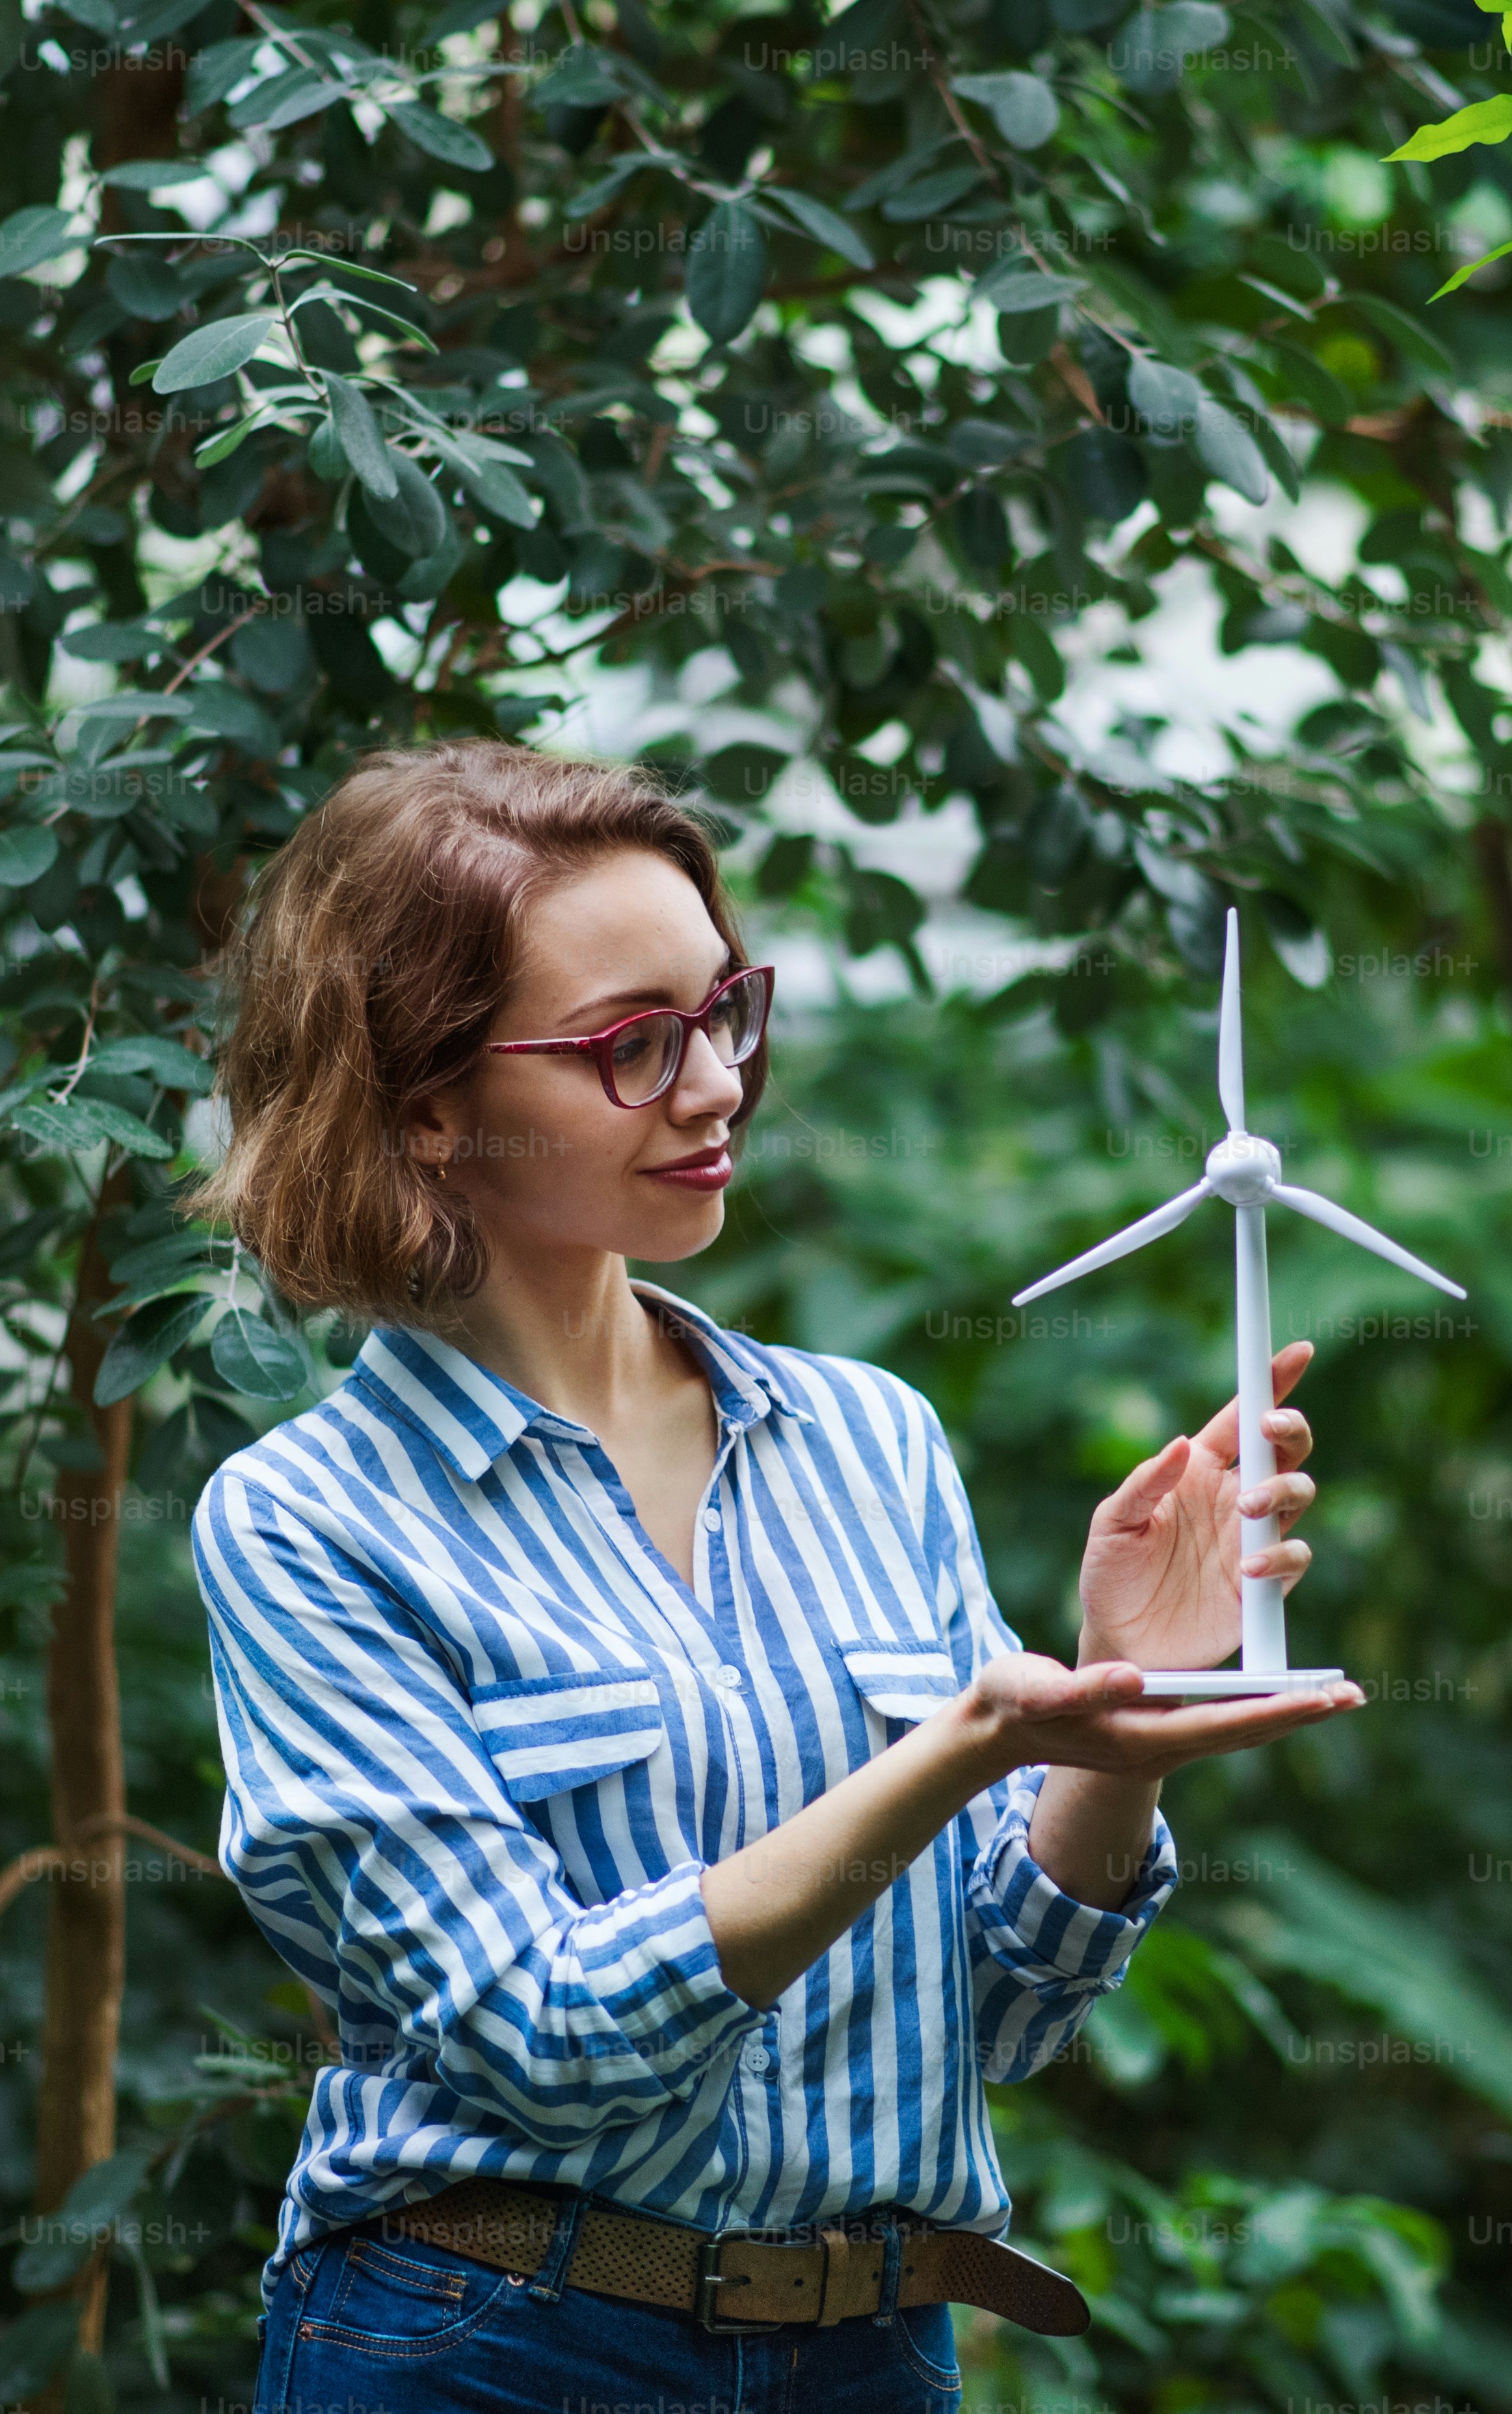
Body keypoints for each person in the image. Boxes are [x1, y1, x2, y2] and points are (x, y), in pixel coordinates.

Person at [185, 737, 1364, 2411]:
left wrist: (1105, 1745)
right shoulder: (313, 1525)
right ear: (428, 1107)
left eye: (723, 1009)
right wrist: (955, 1743)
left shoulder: (867, 1441)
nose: (715, 1082)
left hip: (872, 2349)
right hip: (496, 2345)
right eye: (630, 1043)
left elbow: (999, 2016)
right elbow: (540, 2032)